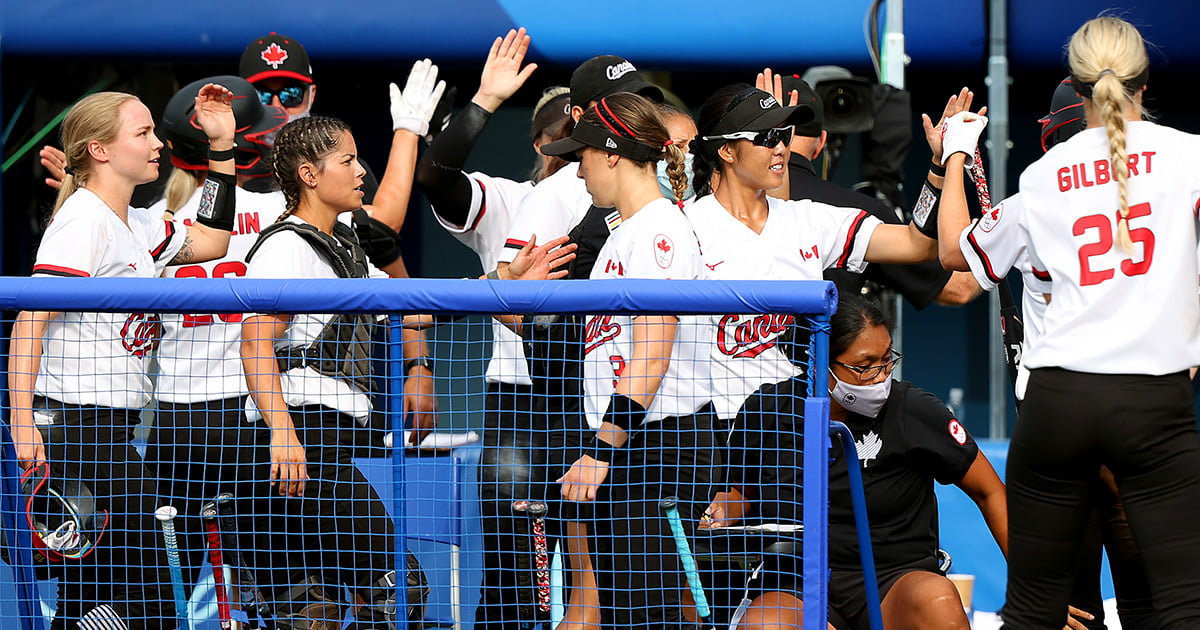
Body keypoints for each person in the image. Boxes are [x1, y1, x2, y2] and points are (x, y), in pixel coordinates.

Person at [936, 16, 1200, 629]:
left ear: (1079, 87)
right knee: (1180, 605)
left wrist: (954, 154)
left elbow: (954, 257)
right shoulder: (1189, 155)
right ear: (1145, 78)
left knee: (1036, 611)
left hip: (1057, 399)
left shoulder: (1038, 177)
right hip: (1150, 396)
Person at [8, 85, 238, 629]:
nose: (157, 142)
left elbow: (211, 240)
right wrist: (19, 420)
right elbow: (28, 320)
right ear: (100, 150)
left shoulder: (133, 222)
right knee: (153, 592)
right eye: (143, 133)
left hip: (107, 430)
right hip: (73, 430)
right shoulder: (83, 220)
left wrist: (222, 149)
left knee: (95, 592)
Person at [704, 295, 1007, 630]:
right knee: (764, 626)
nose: (880, 377)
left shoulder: (914, 410)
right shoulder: (767, 409)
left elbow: (990, 491)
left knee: (938, 602)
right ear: (817, 362)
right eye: (865, 366)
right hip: (797, 580)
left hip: (895, 577)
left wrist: (1034, 592)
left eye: (886, 359)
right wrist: (720, 510)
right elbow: (741, 493)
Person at [413, 27, 576, 629]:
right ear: (539, 141)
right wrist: (483, 101)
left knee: (602, 561)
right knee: (516, 569)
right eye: (565, 133)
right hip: (521, 399)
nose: (577, 145)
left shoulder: (631, 206)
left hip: (597, 398)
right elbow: (434, 177)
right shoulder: (508, 198)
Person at [541, 91, 715, 629]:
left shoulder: (657, 230)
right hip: (634, 443)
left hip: (659, 445)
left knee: (652, 617)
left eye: (583, 157)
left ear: (612, 152)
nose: (578, 172)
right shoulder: (627, 233)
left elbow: (651, 357)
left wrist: (600, 451)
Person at [684, 83, 938, 432]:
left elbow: (916, 244)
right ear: (727, 151)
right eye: (766, 137)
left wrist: (940, 167)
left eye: (784, 136)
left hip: (796, 427)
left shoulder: (808, 219)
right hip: (716, 434)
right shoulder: (683, 226)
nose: (781, 148)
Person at [778, 75, 981, 308]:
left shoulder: (728, 204)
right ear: (821, 141)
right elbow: (957, 288)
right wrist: (991, 239)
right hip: (829, 343)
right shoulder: (853, 214)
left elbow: (916, 246)